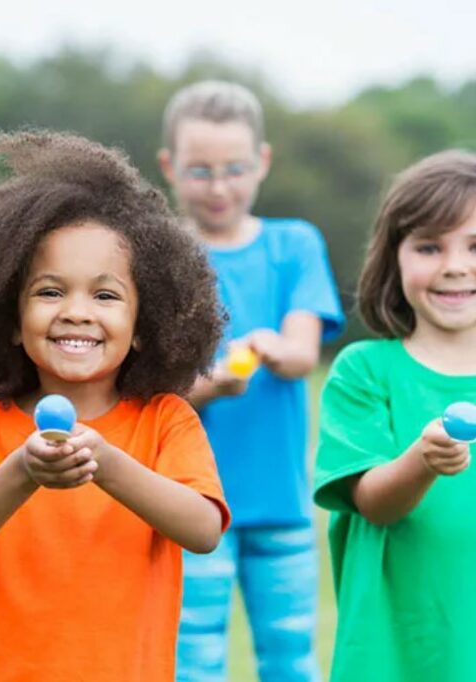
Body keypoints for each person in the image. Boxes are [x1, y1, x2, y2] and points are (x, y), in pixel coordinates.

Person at [0, 130, 231, 682]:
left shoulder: (165, 420)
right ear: (11, 322)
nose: (76, 312)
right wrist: (21, 471)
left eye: (106, 294)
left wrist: (108, 465)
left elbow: (203, 529)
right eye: (50, 291)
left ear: (144, 327)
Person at [157, 80, 344, 681]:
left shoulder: (295, 244)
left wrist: (270, 347)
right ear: (169, 167)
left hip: (283, 504)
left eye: (235, 169)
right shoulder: (158, 257)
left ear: (262, 162)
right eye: (200, 171)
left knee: (290, 660)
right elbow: (151, 389)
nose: (219, 187)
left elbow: (301, 353)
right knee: (192, 662)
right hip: (189, 503)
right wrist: (210, 384)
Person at [314, 150, 476, 682]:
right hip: (395, 653)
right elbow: (374, 505)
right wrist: (423, 460)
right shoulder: (365, 371)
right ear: (395, 257)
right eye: (429, 246)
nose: (455, 266)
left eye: (474, 247)